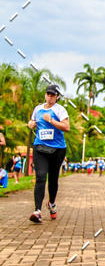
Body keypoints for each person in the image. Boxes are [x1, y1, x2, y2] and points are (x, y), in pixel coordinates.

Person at [27, 84, 70, 223]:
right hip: (40, 147)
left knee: (53, 179)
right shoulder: (38, 108)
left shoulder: (60, 110)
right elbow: (32, 121)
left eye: (53, 95)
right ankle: (37, 211)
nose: (50, 97)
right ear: (45, 95)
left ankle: (51, 203)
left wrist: (51, 120)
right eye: (48, 94)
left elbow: (66, 127)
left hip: (57, 149)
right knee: (40, 177)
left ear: (57, 97)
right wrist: (30, 124)